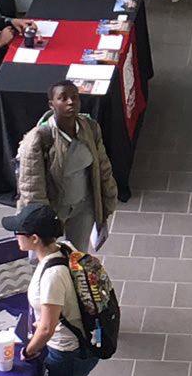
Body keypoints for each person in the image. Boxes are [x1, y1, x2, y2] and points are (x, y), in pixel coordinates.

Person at [2, 203, 97, 376]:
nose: (15, 236)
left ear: (34, 239)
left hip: (68, 354)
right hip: (82, 344)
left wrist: (29, 350)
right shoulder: (64, 248)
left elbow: (47, 329)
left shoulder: (53, 276)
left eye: (19, 233)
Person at [16, 81, 118, 252]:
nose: (70, 102)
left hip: (83, 206)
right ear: (52, 104)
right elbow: (32, 188)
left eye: (74, 97)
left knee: (78, 257)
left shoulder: (90, 128)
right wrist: (41, 224)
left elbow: (103, 168)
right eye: (63, 98)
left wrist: (108, 200)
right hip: (53, 208)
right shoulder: (38, 139)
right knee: (46, 259)